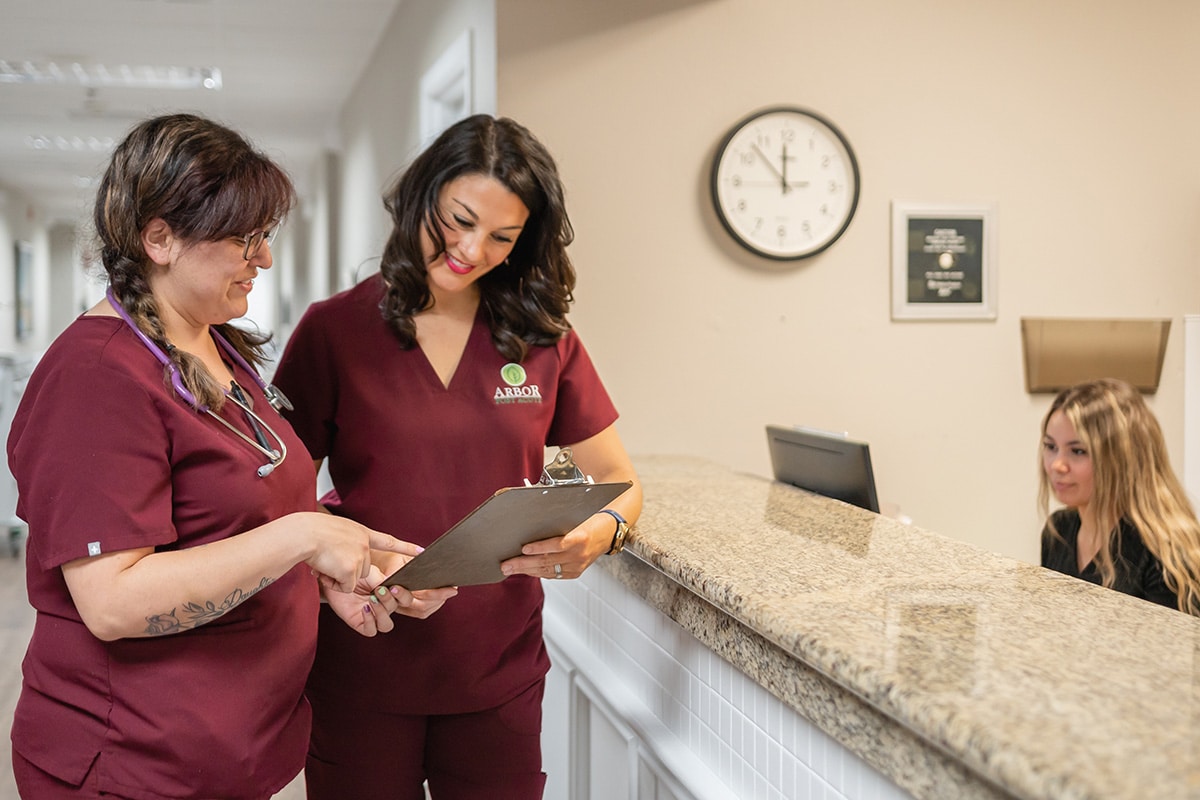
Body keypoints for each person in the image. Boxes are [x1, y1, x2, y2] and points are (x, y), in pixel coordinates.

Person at [6, 113, 456, 800]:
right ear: (158, 237)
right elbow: (114, 602)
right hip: (131, 766)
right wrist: (305, 535)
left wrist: (332, 577)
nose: (264, 259)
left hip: (236, 753)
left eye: (265, 237)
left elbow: (229, 532)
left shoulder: (216, 348)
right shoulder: (95, 378)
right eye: (244, 240)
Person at [272, 113, 643, 798]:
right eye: (459, 220)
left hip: (495, 669)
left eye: (503, 237)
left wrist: (598, 534)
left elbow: (619, 481)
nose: (473, 249)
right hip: (363, 656)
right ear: (423, 196)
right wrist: (336, 569)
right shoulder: (334, 332)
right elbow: (278, 498)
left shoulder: (541, 341)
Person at [1038, 377, 1200, 615]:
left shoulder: (1164, 554)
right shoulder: (1058, 531)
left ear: (1121, 460)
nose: (1057, 465)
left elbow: (1169, 651)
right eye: (1051, 447)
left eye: (1078, 451)